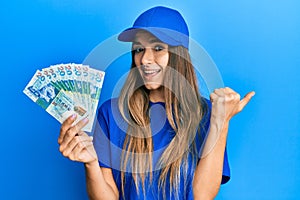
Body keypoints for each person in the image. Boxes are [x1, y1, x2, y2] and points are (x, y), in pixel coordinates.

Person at [58, 6, 255, 200]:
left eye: (158, 48)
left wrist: (221, 122)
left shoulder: (206, 114)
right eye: (139, 49)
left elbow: (201, 195)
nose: (145, 59)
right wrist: (91, 163)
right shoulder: (110, 113)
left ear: (179, 56)